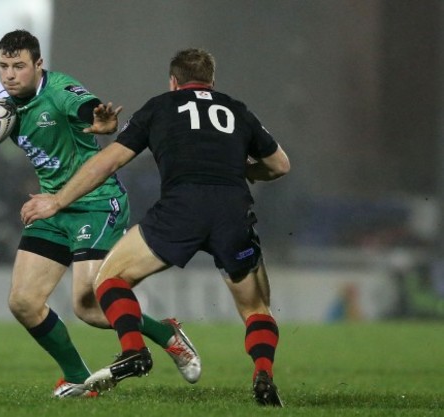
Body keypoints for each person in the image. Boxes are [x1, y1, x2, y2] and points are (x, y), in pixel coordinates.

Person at [21, 48, 290, 406]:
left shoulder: (160, 106)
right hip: (232, 211)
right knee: (256, 309)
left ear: (173, 81)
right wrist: (242, 170)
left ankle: (133, 349)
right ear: (212, 82)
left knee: (110, 279)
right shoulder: (236, 109)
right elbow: (279, 165)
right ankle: (263, 374)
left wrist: (57, 200)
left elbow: (107, 163)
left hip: (181, 210)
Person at [0, 30, 201, 398]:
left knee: (87, 305)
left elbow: (93, 112)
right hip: (51, 206)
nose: (9, 75)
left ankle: (167, 334)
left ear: (39, 65)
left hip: (96, 203)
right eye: (3, 66)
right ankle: (79, 379)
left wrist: (103, 122)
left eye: (19, 66)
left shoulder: (62, 91)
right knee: (23, 302)